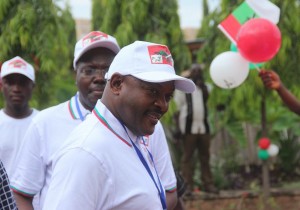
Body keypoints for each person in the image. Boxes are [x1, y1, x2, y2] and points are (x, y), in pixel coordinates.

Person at [42, 41, 196, 210]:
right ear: (116, 84)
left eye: (168, 96)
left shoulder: (131, 134)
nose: (163, 105)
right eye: (153, 91)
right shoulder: (85, 153)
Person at [10, 31, 120, 210]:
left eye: (108, 70)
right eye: (89, 70)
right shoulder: (44, 123)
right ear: (75, 75)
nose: (100, 78)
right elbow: (22, 194)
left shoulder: (139, 126)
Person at [173, 64, 218, 196]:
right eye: (194, 71)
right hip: (188, 128)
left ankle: (208, 185)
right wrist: (177, 129)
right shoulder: (183, 89)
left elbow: (211, 102)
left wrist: (202, 86)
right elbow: (177, 109)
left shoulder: (207, 87)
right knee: (187, 158)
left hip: (204, 127)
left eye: (199, 71)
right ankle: (187, 187)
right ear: (190, 73)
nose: (197, 73)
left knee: (205, 157)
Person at [0, 56, 38, 178]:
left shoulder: (43, 123)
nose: (16, 89)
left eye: (22, 83)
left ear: (33, 86)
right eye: (10, 82)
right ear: (1, 86)